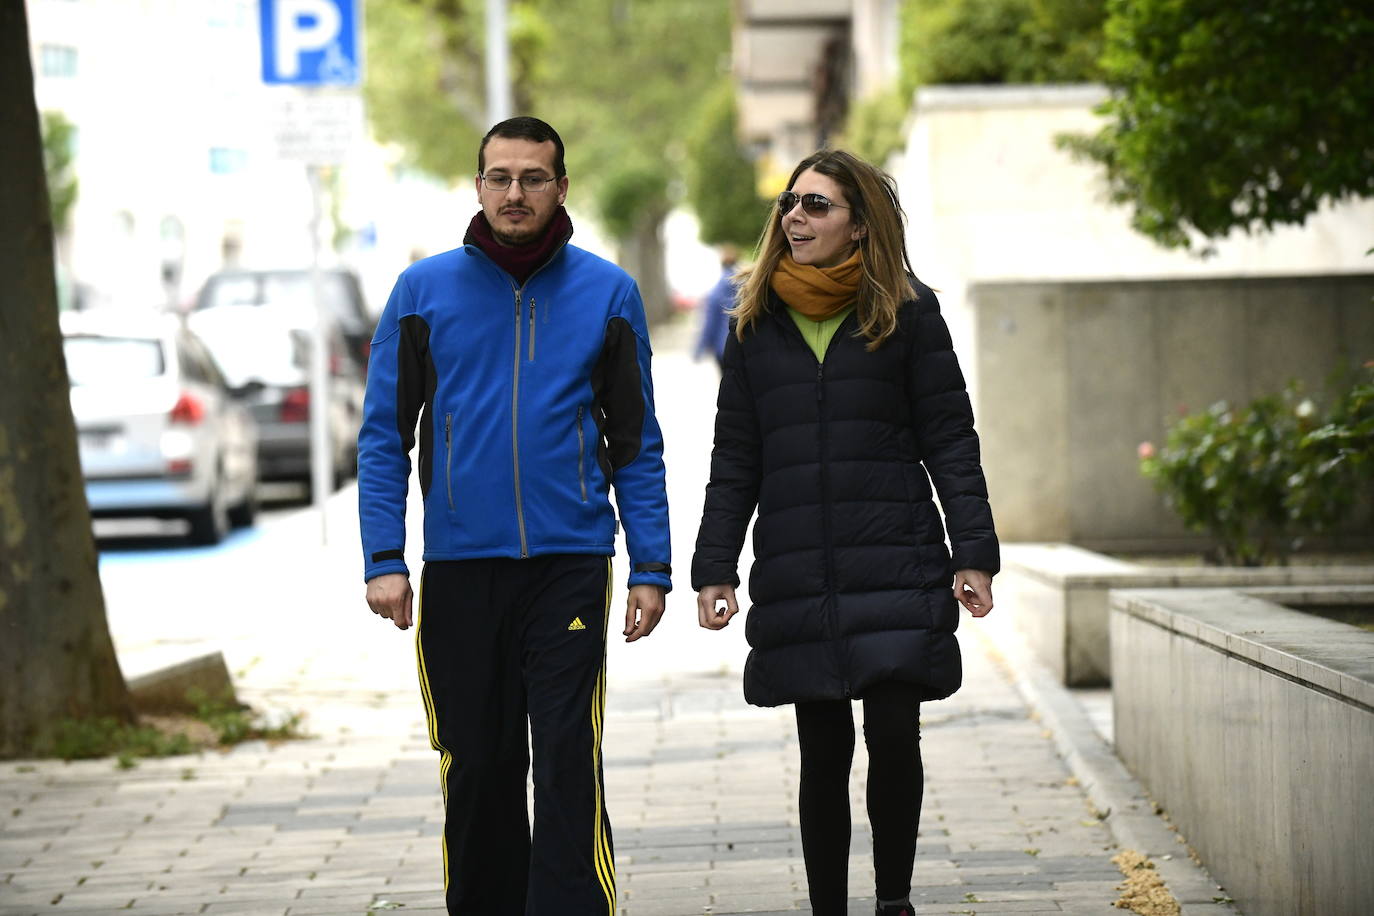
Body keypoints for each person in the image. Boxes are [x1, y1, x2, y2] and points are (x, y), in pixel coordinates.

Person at [358, 116, 672, 916]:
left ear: (561, 188)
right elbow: (384, 436)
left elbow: (636, 444)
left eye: (534, 178)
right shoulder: (420, 294)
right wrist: (384, 557)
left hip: (569, 564)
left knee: (568, 755)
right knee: (482, 763)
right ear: (477, 186)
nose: (515, 192)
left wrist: (653, 566)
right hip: (461, 570)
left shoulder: (608, 294)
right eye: (500, 177)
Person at [691, 149, 999, 916]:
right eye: (790, 204)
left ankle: (892, 901)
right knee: (822, 750)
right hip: (799, 564)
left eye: (816, 205)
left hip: (895, 555)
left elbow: (951, 439)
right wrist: (715, 566)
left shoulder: (907, 311)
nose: (794, 217)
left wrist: (974, 554)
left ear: (859, 225)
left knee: (895, 733)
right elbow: (736, 455)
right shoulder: (755, 321)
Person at [693, 244, 740, 369]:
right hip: (744, 346)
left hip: (722, 348)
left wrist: (700, 348)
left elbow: (710, 322)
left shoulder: (716, 292)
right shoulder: (746, 287)